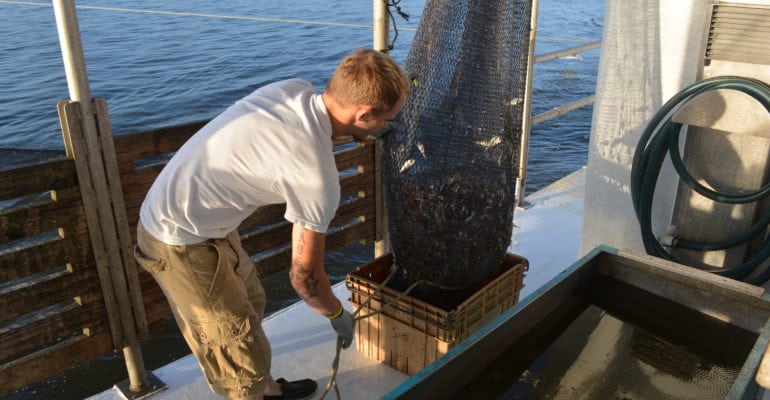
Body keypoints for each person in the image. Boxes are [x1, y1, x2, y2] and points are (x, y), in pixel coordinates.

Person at [134, 48, 409, 400]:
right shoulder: (316, 176)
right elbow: (303, 277)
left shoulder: (294, 90)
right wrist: (337, 313)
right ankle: (251, 391)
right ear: (365, 113)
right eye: (386, 120)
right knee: (236, 353)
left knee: (251, 300)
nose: (385, 128)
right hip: (176, 238)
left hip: (205, 219)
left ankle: (270, 391)